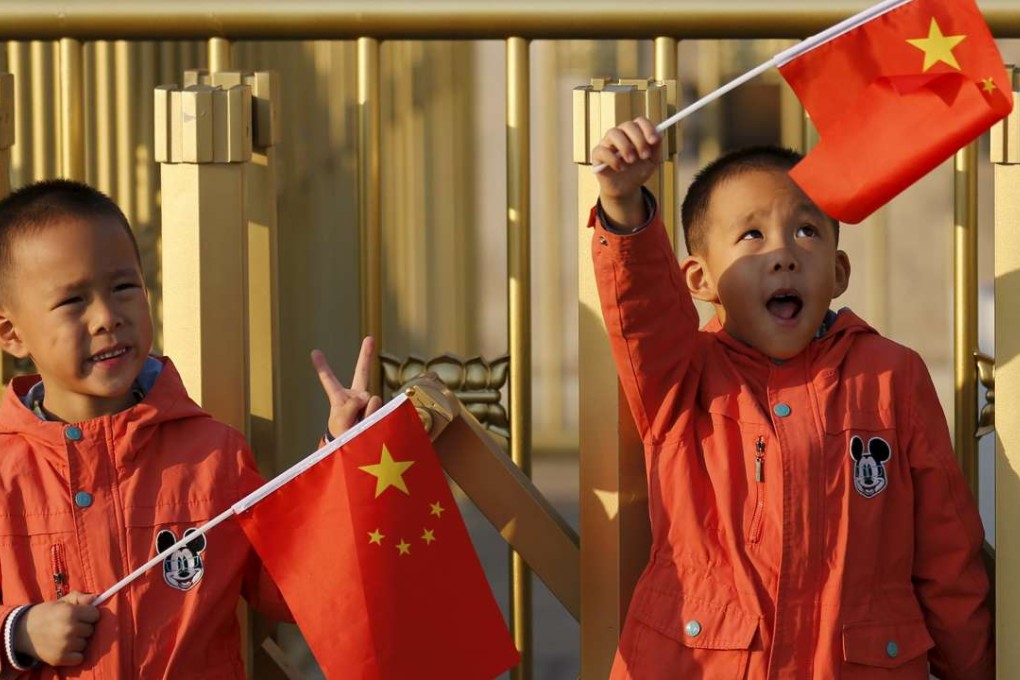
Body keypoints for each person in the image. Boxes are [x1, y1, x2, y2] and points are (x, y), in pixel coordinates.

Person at [589, 117, 992, 679]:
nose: (783, 254)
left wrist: (971, 669)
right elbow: (643, 307)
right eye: (751, 235)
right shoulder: (680, 374)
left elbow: (947, 553)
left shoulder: (891, 375)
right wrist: (622, 202)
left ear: (839, 270)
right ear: (699, 279)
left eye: (806, 231)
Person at [0, 179, 377, 676]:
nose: (107, 317)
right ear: (12, 333)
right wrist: (19, 633)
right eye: (73, 301)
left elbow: (291, 589)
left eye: (123, 287)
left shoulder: (213, 453)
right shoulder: (7, 469)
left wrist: (342, 459)